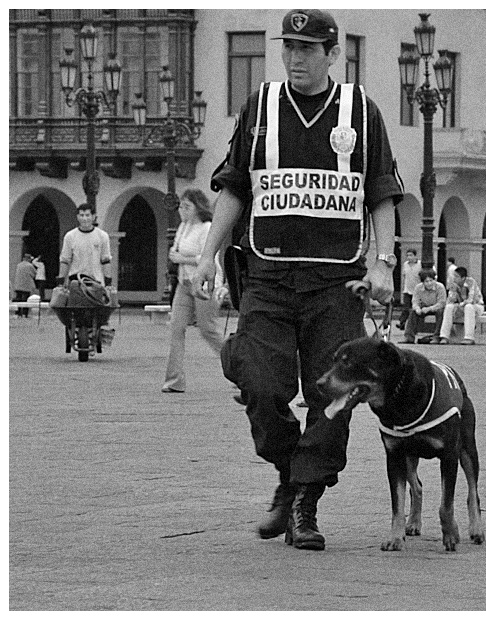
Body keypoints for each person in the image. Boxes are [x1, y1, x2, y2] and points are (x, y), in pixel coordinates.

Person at [190, 9, 403, 551]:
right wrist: (208, 256)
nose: (295, 58)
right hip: (268, 275)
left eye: (307, 49)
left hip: (337, 284)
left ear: (333, 54)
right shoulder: (260, 107)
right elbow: (235, 187)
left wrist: (383, 262)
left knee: (331, 395)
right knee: (259, 384)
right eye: (288, 47)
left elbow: (381, 192)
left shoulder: (360, 111)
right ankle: (290, 471)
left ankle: (304, 501)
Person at [162, 189, 228, 393]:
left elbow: (205, 258)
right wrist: (175, 255)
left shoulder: (206, 228)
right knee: (176, 327)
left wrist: (181, 259)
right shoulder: (183, 227)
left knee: (207, 329)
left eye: (187, 207)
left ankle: (239, 369)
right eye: (181, 206)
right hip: (184, 283)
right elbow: (178, 249)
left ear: (197, 208)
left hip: (205, 283)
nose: (182, 211)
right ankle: (174, 380)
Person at [59, 204, 113, 289]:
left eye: (87, 215)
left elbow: (106, 260)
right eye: (81, 215)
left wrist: (108, 283)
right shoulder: (70, 236)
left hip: (96, 282)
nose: (84, 219)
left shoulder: (102, 236)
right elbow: (65, 260)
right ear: (77, 217)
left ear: (93, 217)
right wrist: (60, 282)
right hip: (75, 282)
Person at [439, 266, 485, 344]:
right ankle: (444, 336)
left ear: (463, 278)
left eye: (456, 276)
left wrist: (460, 304)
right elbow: (449, 301)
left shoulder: (471, 282)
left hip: (476, 306)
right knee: (449, 307)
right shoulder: (453, 284)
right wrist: (453, 292)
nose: (454, 278)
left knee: (468, 307)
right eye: (454, 276)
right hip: (461, 306)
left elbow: (471, 300)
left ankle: (469, 337)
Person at [402, 269, 446, 344]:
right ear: (423, 282)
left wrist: (429, 309)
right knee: (413, 312)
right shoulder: (418, 288)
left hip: (436, 308)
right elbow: (415, 301)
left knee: (440, 312)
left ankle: (436, 336)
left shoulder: (440, 287)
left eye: (431, 280)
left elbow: (441, 303)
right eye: (426, 281)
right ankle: (409, 337)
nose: (429, 283)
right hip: (424, 306)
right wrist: (417, 308)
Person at [397, 248, 421, 330]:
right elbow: (404, 276)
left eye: (411, 255)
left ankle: (412, 326)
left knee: (414, 308)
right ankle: (402, 322)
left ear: (415, 256)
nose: (409, 257)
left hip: (417, 290)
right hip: (407, 289)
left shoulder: (420, 264)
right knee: (406, 307)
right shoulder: (405, 264)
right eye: (407, 255)